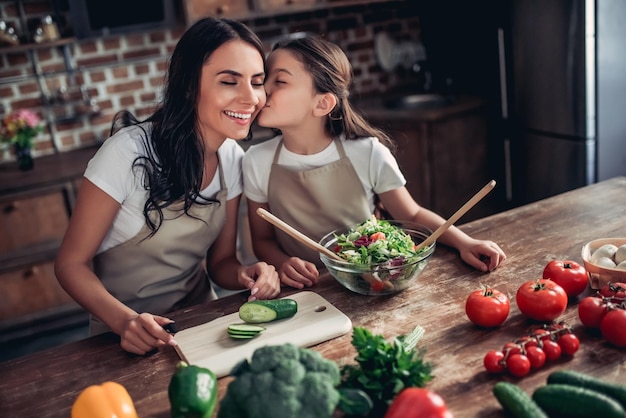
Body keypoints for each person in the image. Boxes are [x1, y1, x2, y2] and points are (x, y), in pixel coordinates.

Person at [55, 17, 281, 355]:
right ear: (190, 85)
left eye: (257, 82)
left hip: (201, 320)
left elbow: (220, 263)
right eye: (229, 82)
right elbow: (70, 265)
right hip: (122, 335)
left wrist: (248, 273)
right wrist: (125, 322)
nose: (250, 98)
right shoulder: (127, 153)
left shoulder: (232, 157)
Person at [243, 33, 506, 290]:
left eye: (280, 81)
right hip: (306, 291)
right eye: (265, 78)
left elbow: (411, 214)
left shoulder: (367, 153)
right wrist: (283, 262)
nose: (263, 89)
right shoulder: (256, 160)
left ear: (323, 103)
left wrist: (465, 243)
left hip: (370, 283)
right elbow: (263, 240)